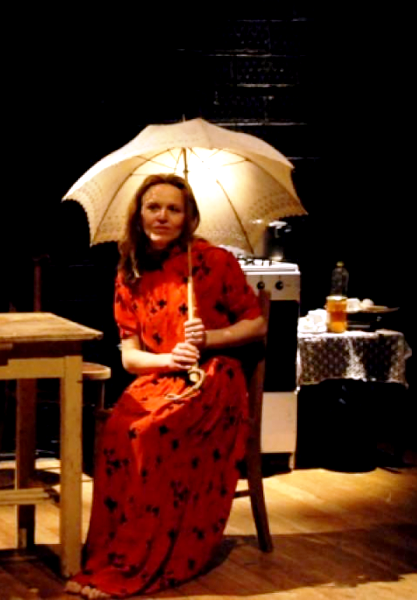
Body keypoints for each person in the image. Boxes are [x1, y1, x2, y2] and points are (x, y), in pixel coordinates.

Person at [66, 173, 267, 599]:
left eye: (173, 209)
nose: (162, 216)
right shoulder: (130, 273)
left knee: (152, 432)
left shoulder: (214, 261)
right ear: (138, 215)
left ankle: (143, 556)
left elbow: (256, 324)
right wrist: (167, 359)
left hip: (214, 378)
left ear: (189, 217)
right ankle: (116, 551)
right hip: (160, 376)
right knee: (121, 428)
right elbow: (130, 357)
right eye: (153, 207)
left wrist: (209, 337)